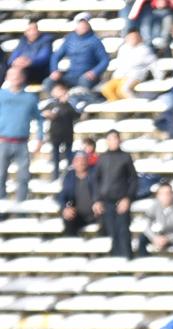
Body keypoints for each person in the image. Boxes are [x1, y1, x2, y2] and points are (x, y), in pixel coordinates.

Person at [0, 68, 42, 204]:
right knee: (0, 175)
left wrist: (39, 138)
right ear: (7, 77)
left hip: (22, 143)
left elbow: (39, 119)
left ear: (23, 78)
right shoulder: (1, 95)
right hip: (3, 141)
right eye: (12, 75)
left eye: (18, 75)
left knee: (23, 176)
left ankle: (21, 204)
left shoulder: (30, 98)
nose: (15, 78)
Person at [94, 130, 137, 259]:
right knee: (112, 232)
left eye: (116, 138)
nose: (114, 141)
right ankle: (115, 261)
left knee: (123, 231)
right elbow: (96, 180)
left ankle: (126, 260)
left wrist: (128, 198)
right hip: (106, 201)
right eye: (111, 139)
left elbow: (133, 180)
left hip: (121, 200)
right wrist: (97, 199)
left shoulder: (125, 157)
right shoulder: (102, 158)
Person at [46, 13, 110, 92]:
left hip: (86, 76)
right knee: (49, 82)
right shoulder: (70, 39)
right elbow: (56, 56)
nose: (82, 26)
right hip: (71, 74)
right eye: (80, 24)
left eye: (85, 24)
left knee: (84, 82)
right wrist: (54, 70)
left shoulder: (95, 41)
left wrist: (94, 72)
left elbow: (104, 60)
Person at [57, 152, 98, 236]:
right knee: (68, 218)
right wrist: (65, 208)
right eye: (77, 161)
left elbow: (103, 191)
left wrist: (99, 202)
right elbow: (62, 196)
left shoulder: (95, 174)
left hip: (96, 214)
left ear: (87, 161)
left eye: (83, 160)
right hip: (78, 216)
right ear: (73, 163)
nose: (81, 163)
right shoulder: (69, 177)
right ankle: (71, 247)